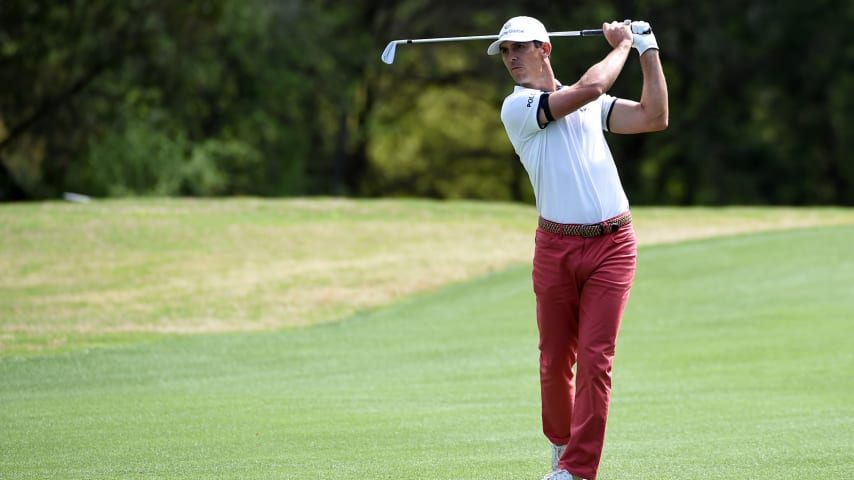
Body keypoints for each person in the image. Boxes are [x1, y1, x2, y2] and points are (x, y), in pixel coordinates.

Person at [486, 16, 668, 480]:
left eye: (519, 48)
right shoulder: (519, 107)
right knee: (553, 361)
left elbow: (654, 117)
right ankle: (563, 447)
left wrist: (649, 50)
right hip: (555, 247)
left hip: (613, 245)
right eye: (505, 52)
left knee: (595, 360)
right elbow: (588, 88)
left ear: (545, 49)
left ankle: (578, 470)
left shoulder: (591, 102)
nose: (511, 59)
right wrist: (623, 44)